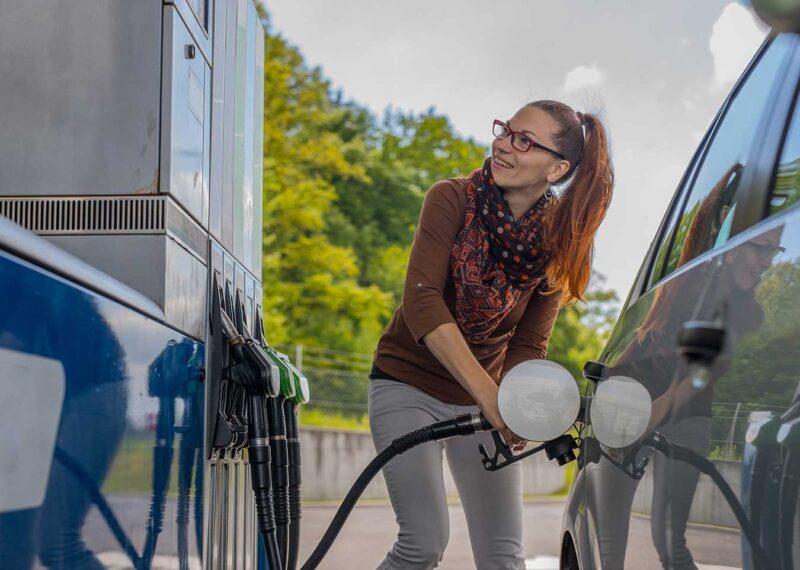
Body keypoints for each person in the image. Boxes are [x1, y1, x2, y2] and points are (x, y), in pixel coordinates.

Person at [368, 100, 614, 569]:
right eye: (506, 130)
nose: (503, 145)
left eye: (524, 141)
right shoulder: (451, 198)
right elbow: (422, 303)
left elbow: (528, 345)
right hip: (407, 385)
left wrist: (515, 405)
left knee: (502, 556)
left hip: (484, 399)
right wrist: (492, 398)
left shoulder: (557, 242)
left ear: (557, 168)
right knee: (423, 543)